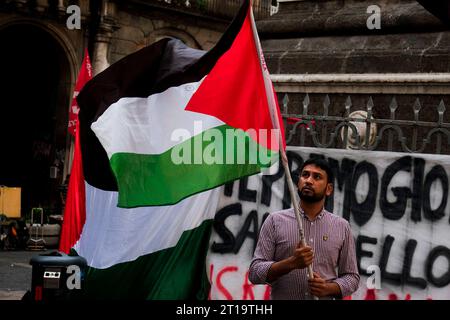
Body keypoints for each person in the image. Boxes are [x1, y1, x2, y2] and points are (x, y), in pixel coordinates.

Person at [249, 158, 360, 300]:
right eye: (305, 175)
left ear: (329, 189)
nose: (308, 180)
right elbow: (255, 272)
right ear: (298, 183)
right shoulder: (275, 221)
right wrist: (291, 263)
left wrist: (328, 288)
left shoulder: (341, 227)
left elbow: (352, 277)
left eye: (317, 177)